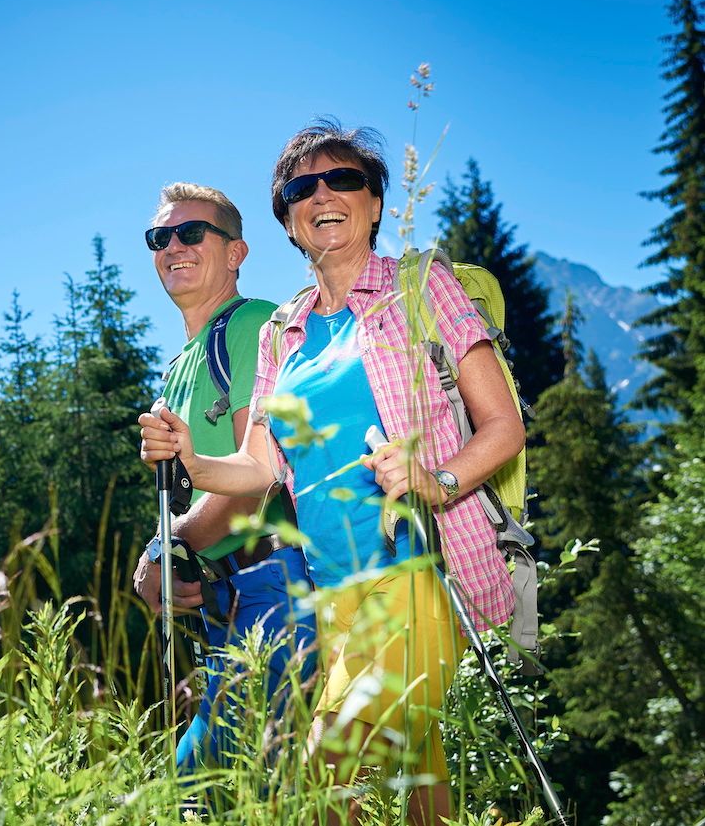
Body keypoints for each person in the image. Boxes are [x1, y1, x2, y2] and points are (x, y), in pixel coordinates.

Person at [138, 121, 522, 826]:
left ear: (375, 203)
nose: (322, 193)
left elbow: (503, 426)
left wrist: (435, 478)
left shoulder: (419, 287)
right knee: (415, 786)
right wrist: (192, 459)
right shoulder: (284, 331)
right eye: (300, 186)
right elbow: (259, 467)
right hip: (333, 597)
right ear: (287, 219)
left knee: (326, 773)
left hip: (418, 580)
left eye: (343, 178)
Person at [131, 182, 317, 780]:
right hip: (227, 604)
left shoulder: (253, 325)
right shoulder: (180, 365)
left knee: (197, 783)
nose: (172, 246)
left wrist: (169, 547)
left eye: (191, 233)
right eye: (160, 237)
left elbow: (260, 479)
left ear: (236, 252)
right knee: (264, 790)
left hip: (276, 589)